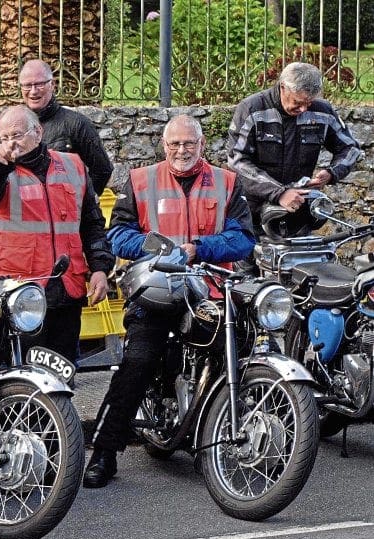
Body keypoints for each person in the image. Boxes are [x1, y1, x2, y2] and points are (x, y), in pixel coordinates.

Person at [83, 114, 256, 489]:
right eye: (174, 144)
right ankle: (104, 452)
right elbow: (118, 236)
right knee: (137, 362)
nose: (182, 150)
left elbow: (243, 238)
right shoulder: (141, 180)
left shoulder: (227, 182)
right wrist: (155, 247)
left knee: (234, 349)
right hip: (156, 290)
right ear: (164, 146)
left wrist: (198, 249)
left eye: (189, 144)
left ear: (202, 145)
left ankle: (211, 437)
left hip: (209, 290)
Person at [0, 105, 115, 364]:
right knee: (21, 373)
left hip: (66, 287)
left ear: (37, 132)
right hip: (19, 291)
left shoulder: (73, 165)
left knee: (63, 373)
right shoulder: (1, 171)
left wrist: (100, 267)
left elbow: (91, 223)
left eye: (17, 135)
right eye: (4, 138)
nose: (11, 143)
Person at [228, 61, 360, 234]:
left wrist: (332, 172)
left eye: (309, 103)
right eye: (298, 102)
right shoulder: (251, 109)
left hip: (299, 214)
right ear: (282, 87)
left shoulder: (323, 111)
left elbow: (350, 148)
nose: (303, 109)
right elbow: (237, 161)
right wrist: (279, 193)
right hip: (254, 215)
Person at [19, 59, 113, 196]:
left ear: (52, 85)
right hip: (27, 211)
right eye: (27, 85)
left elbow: (102, 170)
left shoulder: (77, 124)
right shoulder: (14, 126)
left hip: (66, 213)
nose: (33, 91)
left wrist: (79, 202)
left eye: (39, 84)